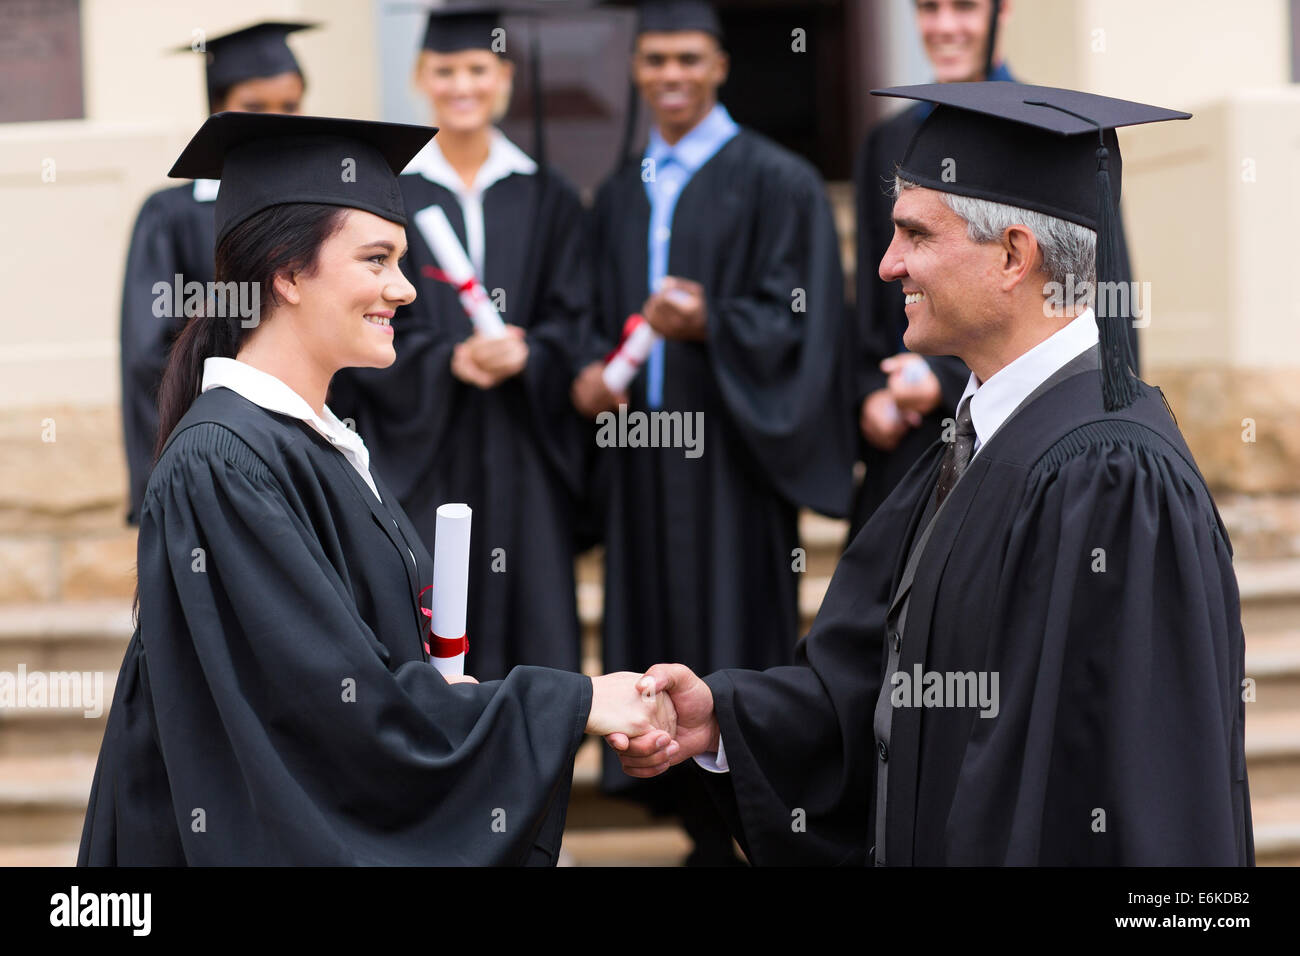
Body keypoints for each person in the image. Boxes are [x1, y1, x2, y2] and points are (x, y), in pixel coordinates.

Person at [612, 83, 1255, 866]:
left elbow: (1144, 806)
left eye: (914, 234)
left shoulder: (1113, 478)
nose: (886, 266)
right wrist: (723, 718)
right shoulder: (978, 438)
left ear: (1015, 256)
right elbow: (879, 688)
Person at [80, 112, 674, 866]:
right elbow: (333, 714)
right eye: (376, 261)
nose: (402, 288)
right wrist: (575, 702)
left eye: (400, 261)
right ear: (287, 275)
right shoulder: (224, 464)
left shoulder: (314, 443)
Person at [573, 0, 854, 864]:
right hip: (646, 463)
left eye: (690, 58)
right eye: (655, 59)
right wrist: (591, 373)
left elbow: (807, 326)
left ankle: (747, 818)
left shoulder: (780, 180)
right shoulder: (620, 193)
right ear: (636, 67)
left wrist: (711, 322)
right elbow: (590, 317)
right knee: (651, 636)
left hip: (734, 461)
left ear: (721, 64)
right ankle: (690, 821)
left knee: (734, 641)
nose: (672, 75)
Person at [329, 6, 590, 682]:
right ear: (421, 76)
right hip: (426, 451)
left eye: (478, 69)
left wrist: (532, 354)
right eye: (445, 71)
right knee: (432, 630)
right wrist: (449, 360)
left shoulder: (546, 194)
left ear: (504, 77)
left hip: (525, 452)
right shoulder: (391, 196)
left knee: (532, 627)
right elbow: (359, 318)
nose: (462, 85)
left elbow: (578, 315)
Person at [120, 21, 313, 526]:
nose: (275, 122)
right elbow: (148, 353)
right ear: (217, 110)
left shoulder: (318, 209)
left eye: (289, 107)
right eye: (254, 105)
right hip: (215, 446)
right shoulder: (171, 214)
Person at [849, 0, 1014, 534]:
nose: (944, 27)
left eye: (964, 8)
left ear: (1002, 11)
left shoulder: (1048, 138)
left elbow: (1076, 299)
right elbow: (874, 304)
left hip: (1010, 438)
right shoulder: (888, 141)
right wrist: (869, 390)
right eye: (928, 8)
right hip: (908, 446)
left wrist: (941, 379)